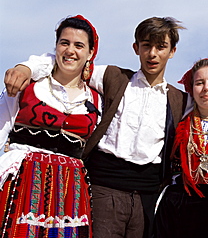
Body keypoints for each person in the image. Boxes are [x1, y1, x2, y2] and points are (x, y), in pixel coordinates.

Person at [4, 17, 189, 238]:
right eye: (146, 45)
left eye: (161, 47)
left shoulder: (180, 101)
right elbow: (68, 60)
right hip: (104, 190)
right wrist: (26, 68)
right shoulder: (114, 77)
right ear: (136, 48)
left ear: (172, 52)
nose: (152, 54)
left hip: (146, 197)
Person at [0, 15, 100, 238]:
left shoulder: (95, 100)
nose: (70, 51)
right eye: (64, 43)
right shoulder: (27, 86)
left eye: (79, 45)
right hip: (23, 182)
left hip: (69, 191)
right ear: (55, 46)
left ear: (90, 53)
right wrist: (26, 67)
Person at [154, 59, 208, 238]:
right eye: (199, 83)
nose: (206, 88)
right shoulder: (179, 121)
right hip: (178, 203)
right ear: (192, 89)